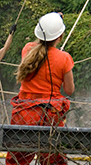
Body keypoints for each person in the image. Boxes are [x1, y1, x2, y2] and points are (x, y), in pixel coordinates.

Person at [7, 12, 74, 165]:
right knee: (52, 159)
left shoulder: (27, 49)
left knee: (18, 159)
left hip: (24, 113)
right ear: (60, 36)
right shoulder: (64, 58)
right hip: (49, 114)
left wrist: (52, 21)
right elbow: (69, 90)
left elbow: (40, 45)